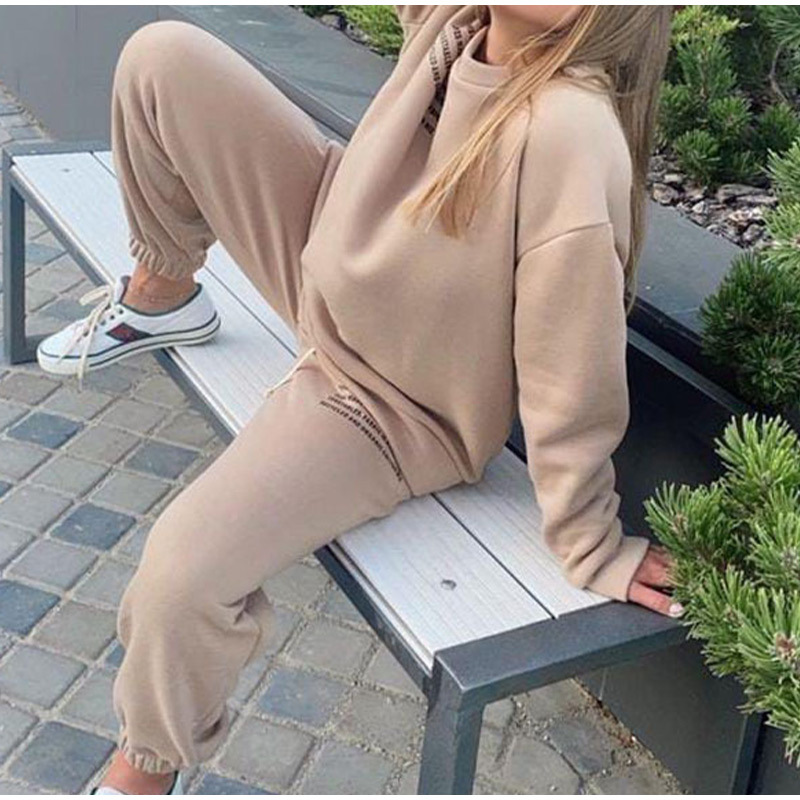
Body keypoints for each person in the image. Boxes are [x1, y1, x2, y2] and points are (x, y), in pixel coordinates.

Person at [35, 5, 679, 794]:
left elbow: (569, 363)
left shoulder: (569, 131)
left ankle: (141, 772)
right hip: (337, 244)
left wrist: (591, 541)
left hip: (391, 400)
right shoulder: (458, 21)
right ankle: (163, 295)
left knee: (178, 580)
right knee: (160, 58)